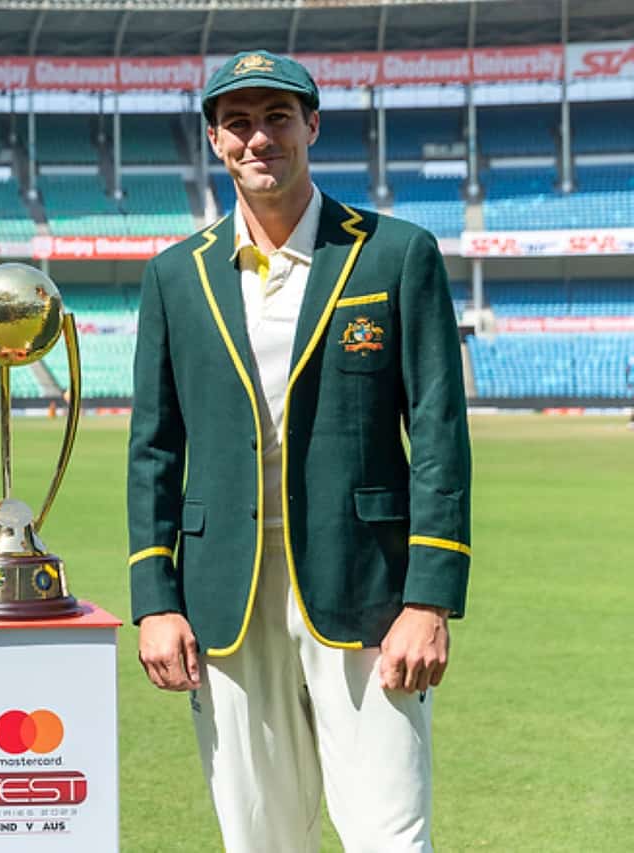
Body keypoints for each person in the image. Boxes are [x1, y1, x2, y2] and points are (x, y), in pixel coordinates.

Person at [127, 51, 471, 851]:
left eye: (277, 118)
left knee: (390, 834)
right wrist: (156, 598)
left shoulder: (395, 253)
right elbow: (154, 450)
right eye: (238, 123)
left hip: (370, 598)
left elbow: (439, 436)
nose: (259, 139)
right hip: (226, 603)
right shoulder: (176, 276)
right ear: (214, 140)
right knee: (260, 839)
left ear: (312, 126)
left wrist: (430, 599)